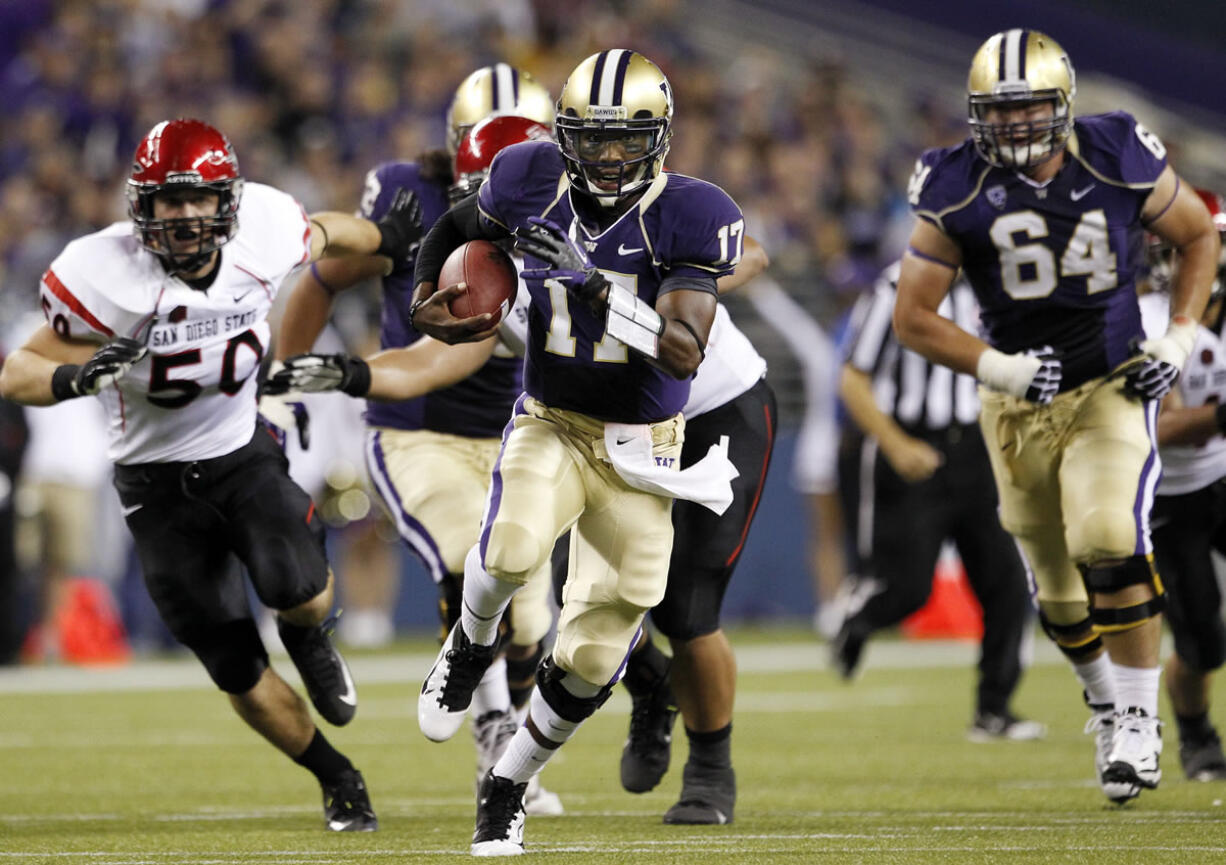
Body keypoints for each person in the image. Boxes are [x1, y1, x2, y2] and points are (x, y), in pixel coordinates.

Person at [0, 118, 425, 831]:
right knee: (237, 670)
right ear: (143, 206)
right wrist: (77, 377)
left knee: (303, 590)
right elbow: (18, 371)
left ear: (229, 198)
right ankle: (336, 774)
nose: (187, 215)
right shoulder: (100, 273)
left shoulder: (264, 226)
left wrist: (387, 242)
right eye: (170, 200)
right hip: (153, 484)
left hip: (239, 451)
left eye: (200, 199)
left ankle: (309, 637)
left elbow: (324, 234)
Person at [410, 49, 743, 855]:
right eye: (588, 138)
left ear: (657, 140)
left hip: (642, 444)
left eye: (621, 140)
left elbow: (681, 352)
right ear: (563, 134)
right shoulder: (525, 175)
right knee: (514, 542)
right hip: (553, 417)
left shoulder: (692, 212)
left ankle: (509, 782)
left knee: (595, 651)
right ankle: (469, 645)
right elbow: (457, 230)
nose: (603, 156)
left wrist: (593, 284)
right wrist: (427, 298)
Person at [893, 29, 1220, 804]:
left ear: (1062, 103)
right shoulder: (954, 183)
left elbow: (1198, 235)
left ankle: (1139, 723)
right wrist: (995, 364)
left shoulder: (1114, 152)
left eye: (1030, 107)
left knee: (1110, 537)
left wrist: (1180, 332)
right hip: (1014, 402)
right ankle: (1105, 699)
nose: (1014, 125)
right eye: (998, 112)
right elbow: (913, 316)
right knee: (1056, 589)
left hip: (1111, 383)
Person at [274, 89, 564, 816]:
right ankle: (496, 734)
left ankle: (509, 738)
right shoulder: (411, 196)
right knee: (475, 560)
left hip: (517, 434)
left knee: (534, 621)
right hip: (417, 427)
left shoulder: (576, 212)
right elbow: (332, 270)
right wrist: (289, 369)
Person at [833, 261, 1043, 741]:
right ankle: (858, 615)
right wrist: (895, 444)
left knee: (1008, 583)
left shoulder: (998, 282)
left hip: (975, 447)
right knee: (909, 590)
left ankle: (994, 709)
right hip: (911, 442)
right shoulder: (893, 285)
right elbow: (852, 378)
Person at [1138, 187, 1226, 781]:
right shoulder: (1144, 321)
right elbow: (1160, 427)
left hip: (1222, 475)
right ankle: (1197, 737)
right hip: (1167, 497)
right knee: (1202, 640)